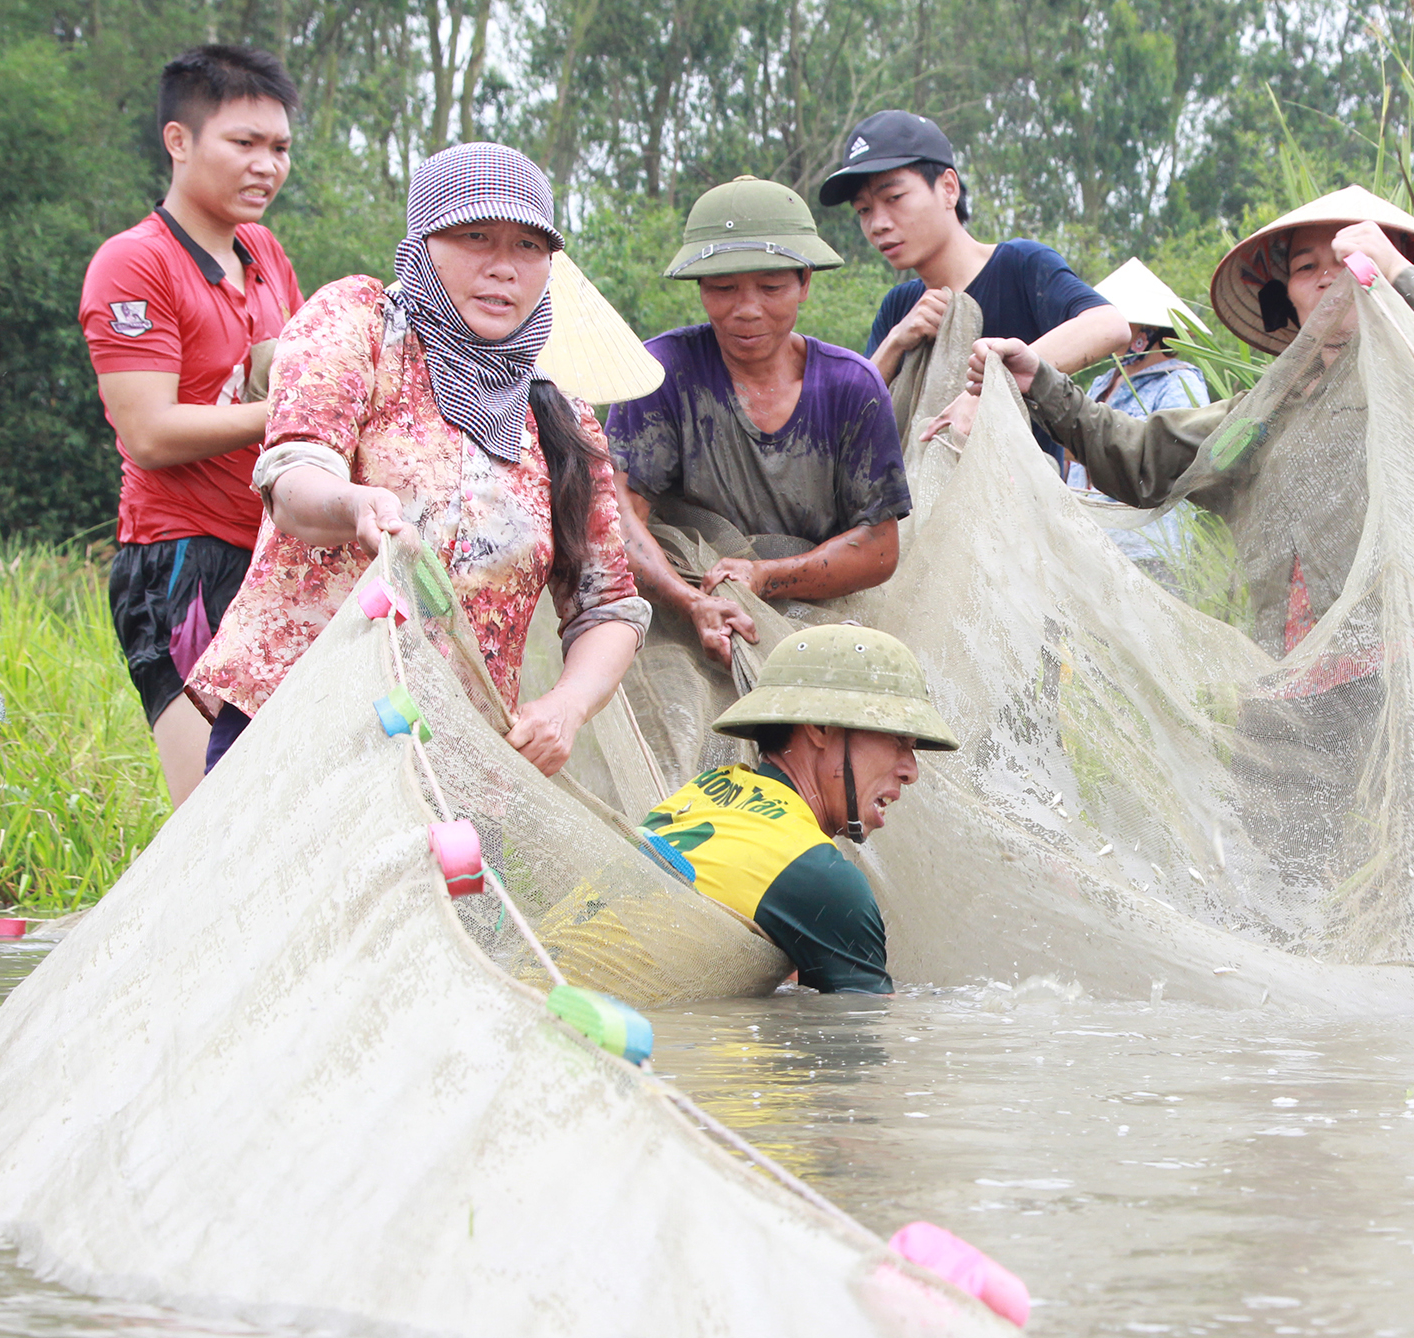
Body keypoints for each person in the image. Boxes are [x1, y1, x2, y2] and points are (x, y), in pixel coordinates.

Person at [188, 143, 648, 778]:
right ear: (424, 242)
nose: (503, 268)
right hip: (298, 730)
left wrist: (566, 707)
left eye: (529, 247)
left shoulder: (559, 417)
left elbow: (609, 605)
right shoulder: (361, 327)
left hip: (453, 762)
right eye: (475, 235)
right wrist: (353, 505)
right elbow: (294, 476)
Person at [955, 186, 1414, 650]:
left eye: (1346, 258)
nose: (1326, 275)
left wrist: (1393, 267)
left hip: (1413, 664)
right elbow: (1145, 458)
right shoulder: (1264, 409)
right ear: (1287, 294)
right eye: (1306, 265)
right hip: (1294, 680)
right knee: (1257, 803)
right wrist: (1042, 382)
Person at [79, 44, 303, 809]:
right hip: (180, 560)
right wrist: (290, 413)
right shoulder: (133, 265)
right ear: (179, 140)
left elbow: (293, 368)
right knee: (216, 818)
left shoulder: (265, 253)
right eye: (243, 143)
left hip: (271, 554)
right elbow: (147, 431)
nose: (265, 166)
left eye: (278, 148)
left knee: (284, 804)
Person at [604, 177, 908, 653]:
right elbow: (616, 517)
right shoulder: (660, 374)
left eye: (770, 287)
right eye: (723, 288)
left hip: (819, 623)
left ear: (804, 282)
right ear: (700, 287)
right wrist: (692, 602)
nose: (747, 310)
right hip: (684, 619)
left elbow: (880, 548)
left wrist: (766, 577)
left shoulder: (852, 387)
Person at [641, 624, 958, 994]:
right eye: (897, 740)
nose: (911, 771)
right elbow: (858, 1039)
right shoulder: (822, 880)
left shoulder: (695, 796)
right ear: (821, 728)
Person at [817, 109, 1128, 455]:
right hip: (922, 507)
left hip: (1021, 501)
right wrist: (895, 341)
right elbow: (848, 427)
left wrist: (993, 387)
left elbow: (1108, 325)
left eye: (894, 199)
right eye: (863, 210)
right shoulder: (899, 308)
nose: (878, 224)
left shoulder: (1020, 267)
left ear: (948, 188)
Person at [1063, 258, 1213, 581]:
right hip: (1086, 542)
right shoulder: (1103, 382)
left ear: (1149, 331)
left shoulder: (1179, 384)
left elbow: (1175, 460)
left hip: (1145, 552)